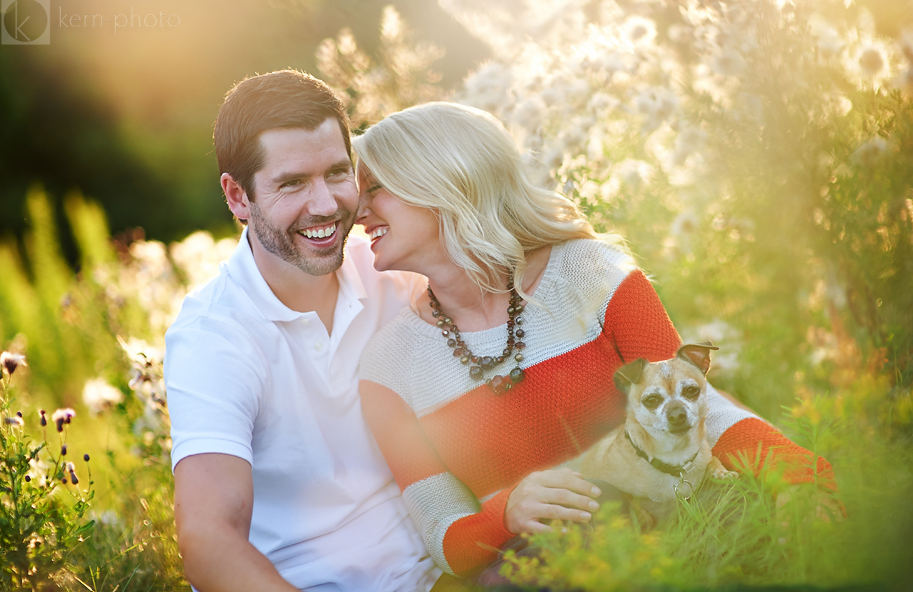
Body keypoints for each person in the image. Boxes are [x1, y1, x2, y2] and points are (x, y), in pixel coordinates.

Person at [353, 102, 837, 579]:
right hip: (545, 566)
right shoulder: (387, 366)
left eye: (375, 189)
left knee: (748, 521)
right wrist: (505, 512)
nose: (357, 211)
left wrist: (799, 477)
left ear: (445, 181)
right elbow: (443, 534)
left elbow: (697, 405)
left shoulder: (591, 272)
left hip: (670, 525)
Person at [164, 70, 443, 592]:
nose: (325, 205)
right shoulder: (214, 336)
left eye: (337, 173)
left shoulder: (392, 266)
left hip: (444, 568)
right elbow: (206, 539)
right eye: (292, 183)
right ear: (237, 197)